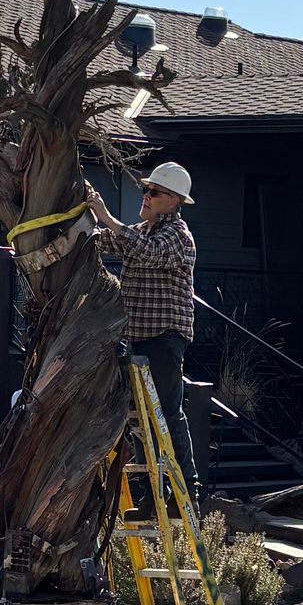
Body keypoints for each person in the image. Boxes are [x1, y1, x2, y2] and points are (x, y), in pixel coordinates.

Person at [86, 162, 200, 502]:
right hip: (136, 337)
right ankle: (152, 490)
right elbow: (101, 241)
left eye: (155, 192)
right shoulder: (143, 231)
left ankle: (186, 488)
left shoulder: (178, 236)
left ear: (175, 200)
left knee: (166, 411)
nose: (146, 197)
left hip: (165, 338)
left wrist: (106, 216)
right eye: (146, 190)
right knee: (138, 417)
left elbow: (147, 252)